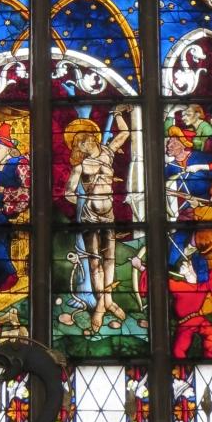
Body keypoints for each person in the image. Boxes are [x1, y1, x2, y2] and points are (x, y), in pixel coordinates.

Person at [63, 107, 133, 333]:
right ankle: (101, 306)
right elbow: (68, 192)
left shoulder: (108, 153)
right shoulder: (81, 166)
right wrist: (84, 202)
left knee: (109, 259)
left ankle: (108, 300)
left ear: (90, 140)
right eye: (78, 145)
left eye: (81, 143)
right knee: (95, 263)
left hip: (108, 214)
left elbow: (125, 133)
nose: (80, 147)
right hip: (90, 217)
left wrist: (119, 114)